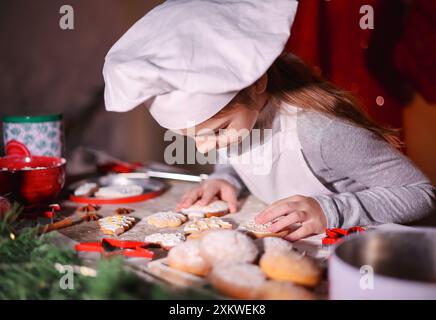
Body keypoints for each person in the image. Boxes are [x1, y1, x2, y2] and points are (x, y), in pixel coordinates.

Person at [103, 0, 435, 241]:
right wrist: (226, 178)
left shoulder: (319, 131)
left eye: (216, 132)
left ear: (258, 83)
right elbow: (246, 154)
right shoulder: (242, 119)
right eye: (191, 137)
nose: (203, 147)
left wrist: (330, 211)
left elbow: (421, 194)